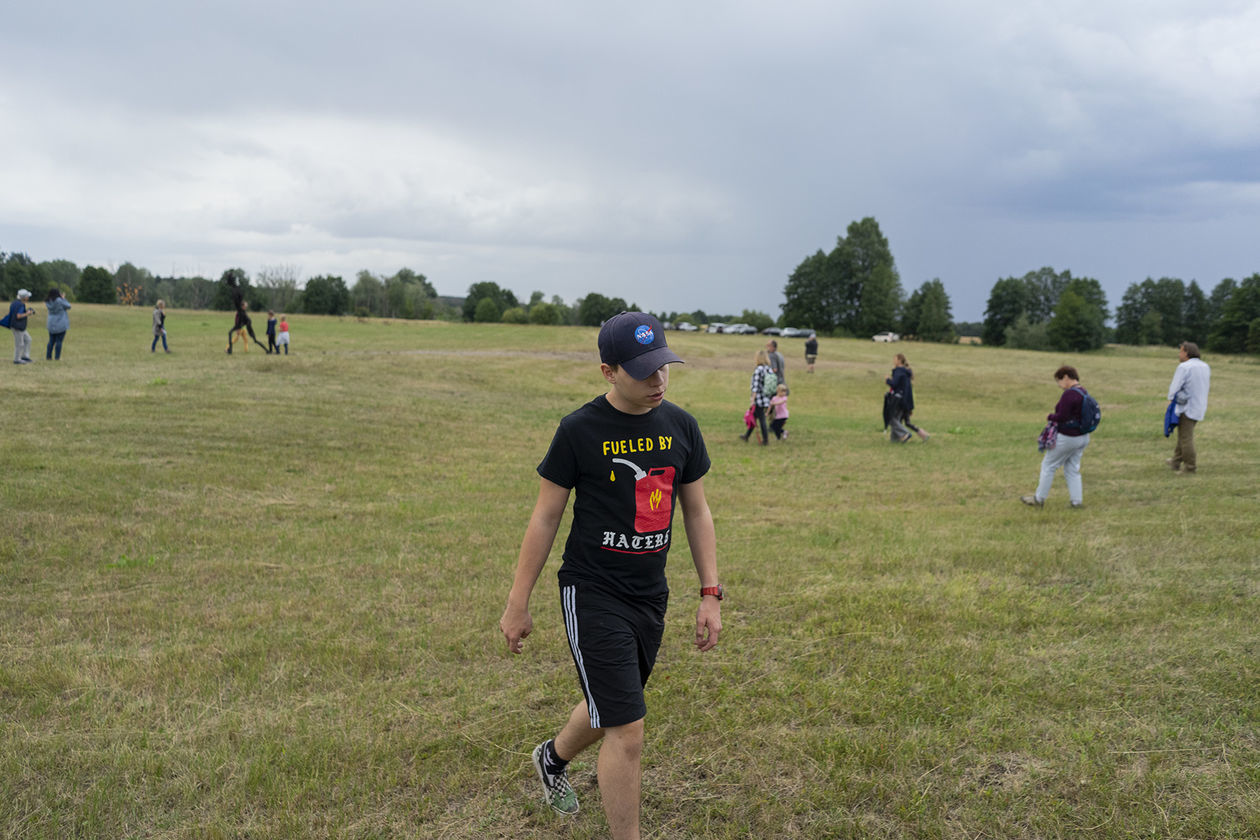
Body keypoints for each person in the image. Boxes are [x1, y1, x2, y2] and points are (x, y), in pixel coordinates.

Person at [499, 311, 722, 840]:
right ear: (607, 371)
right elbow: (545, 516)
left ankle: (551, 759)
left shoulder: (681, 426)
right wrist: (518, 601)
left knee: (610, 704)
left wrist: (710, 593)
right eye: (643, 371)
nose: (657, 381)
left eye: (663, 367)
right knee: (627, 726)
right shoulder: (580, 430)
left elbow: (697, 511)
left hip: (651, 594)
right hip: (592, 590)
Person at [1021, 365, 1092, 509]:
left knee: (1048, 466)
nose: (1059, 385)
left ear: (1066, 377)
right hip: (1083, 437)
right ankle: (1076, 502)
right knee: (1072, 469)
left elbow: (1062, 416)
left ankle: (1039, 499)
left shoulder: (1069, 394)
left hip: (1068, 437)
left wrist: (1050, 416)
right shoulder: (1083, 391)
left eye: (1059, 381)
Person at [1165, 341, 1211, 474]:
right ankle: (1175, 461)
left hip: (1186, 407)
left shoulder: (1184, 367)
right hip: (1199, 406)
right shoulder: (1205, 366)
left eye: (1181, 351)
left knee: (1186, 438)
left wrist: (1170, 399)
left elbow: (1175, 387)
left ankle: (1190, 467)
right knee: (1183, 435)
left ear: (1186, 352)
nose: (1179, 354)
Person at [885, 353, 929, 443]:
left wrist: (887, 380)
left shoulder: (899, 371)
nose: (893, 361)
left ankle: (905, 434)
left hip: (898, 399)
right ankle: (895, 439)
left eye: (895, 359)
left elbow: (894, 384)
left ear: (899, 360)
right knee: (902, 420)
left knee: (892, 418)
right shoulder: (906, 372)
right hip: (906, 400)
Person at [740, 349, 773, 445]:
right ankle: (746, 436)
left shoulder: (758, 370)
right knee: (754, 417)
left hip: (759, 399)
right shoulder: (769, 369)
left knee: (761, 419)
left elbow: (755, 386)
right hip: (766, 398)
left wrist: (752, 400)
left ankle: (765, 440)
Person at [7, 289, 35, 364]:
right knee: (19, 344)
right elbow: (18, 316)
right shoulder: (21, 305)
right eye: (27, 296)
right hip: (17, 327)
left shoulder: (15, 303)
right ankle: (17, 359)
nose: (28, 298)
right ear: (24, 297)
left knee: (28, 339)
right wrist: (28, 313)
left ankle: (25, 356)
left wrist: (26, 312)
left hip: (19, 326)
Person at [44, 288, 71, 361]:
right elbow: (68, 306)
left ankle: (48, 356)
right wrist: (63, 299)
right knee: (59, 341)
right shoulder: (59, 300)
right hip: (60, 322)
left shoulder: (47, 301)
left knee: (51, 341)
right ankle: (57, 357)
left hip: (51, 322)